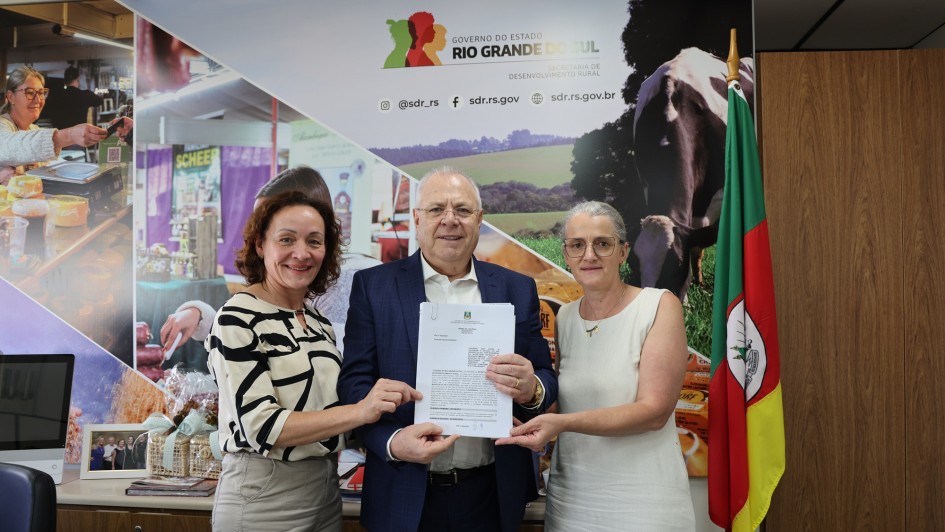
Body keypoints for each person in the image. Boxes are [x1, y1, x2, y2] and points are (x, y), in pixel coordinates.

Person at [337, 167, 558, 532]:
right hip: (401, 489)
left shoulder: (517, 288)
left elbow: (545, 377)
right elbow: (353, 384)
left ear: (480, 219)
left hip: (490, 494)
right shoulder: (373, 287)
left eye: (463, 210)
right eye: (437, 209)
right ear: (417, 218)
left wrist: (532, 388)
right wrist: (393, 442)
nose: (450, 220)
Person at [205, 190, 420, 532]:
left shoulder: (318, 322)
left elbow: (329, 409)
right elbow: (262, 426)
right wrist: (362, 411)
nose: (302, 253)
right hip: (263, 497)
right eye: (286, 239)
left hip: (325, 491)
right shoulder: (237, 317)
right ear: (260, 245)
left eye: (314, 241)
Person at [496, 201, 695, 531]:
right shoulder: (566, 317)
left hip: (644, 503)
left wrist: (560, 423)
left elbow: (654, 412)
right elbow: (570, 402)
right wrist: (525, 401)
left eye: (602, 243)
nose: (589, 255)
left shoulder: (659, 305)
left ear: (623, 252)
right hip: (570, 500)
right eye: (577, 245)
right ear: (566, 254)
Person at [159, 166, 380, 358]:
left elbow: (313, 362)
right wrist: (200, 316)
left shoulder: (349, 282)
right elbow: (256, 335)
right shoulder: (294, 281)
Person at [1, 66, 131, 183]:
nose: (38, 100)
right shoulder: (3, 125)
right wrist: (69, 135)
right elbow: (9, 146)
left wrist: (92, 172)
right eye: (30, 92)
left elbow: (53, 166)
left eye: (41, 93)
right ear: (11, 97)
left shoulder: (33, 129)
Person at [46, 66, 104, 130]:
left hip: (61, 134)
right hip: (79, 134)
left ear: (65, 80)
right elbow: (100, 101)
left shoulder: (56, 96)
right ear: (78, 79)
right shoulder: (85, 95)